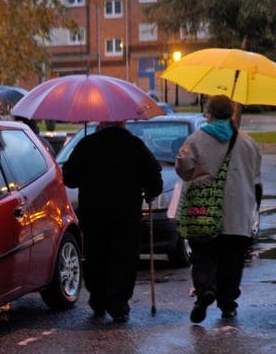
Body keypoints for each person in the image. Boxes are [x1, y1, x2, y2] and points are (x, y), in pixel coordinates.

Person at [62, 121, 163, 322]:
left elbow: (70, 178)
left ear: (101, 123)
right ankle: (118, 303)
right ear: (123, 122)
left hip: (93, 213)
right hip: (126, 213)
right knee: (124, 257)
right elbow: (154, 180)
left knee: (95, 255)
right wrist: (150, 193)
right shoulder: (135, 145)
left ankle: (98, 299)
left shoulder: (87, 144)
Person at [176, 95, 262, 322]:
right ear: (231, 114)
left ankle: (205, 290)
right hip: (238, 214)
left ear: (209, 114)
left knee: (203, 254)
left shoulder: (196, 139)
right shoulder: (248, 142)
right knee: (232, 262)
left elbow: (183, 169)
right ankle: (227, 304)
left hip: (204, 211)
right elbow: (255, 178)